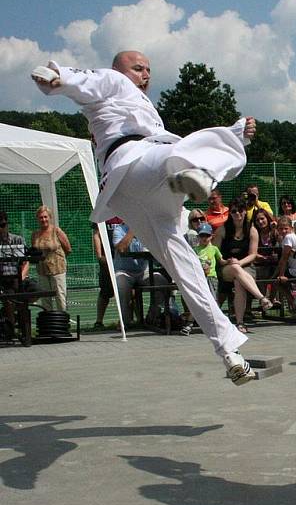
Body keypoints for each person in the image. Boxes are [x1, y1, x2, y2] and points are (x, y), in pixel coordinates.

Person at [32, 51, 256, 384]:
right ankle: (196, 175)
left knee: (187, 267)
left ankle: (230, 353)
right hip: (136, 163)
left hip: (128, 192)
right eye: (138, 68)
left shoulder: (143, 107)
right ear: (121, 70)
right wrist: (57, 76)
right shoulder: (114, 81)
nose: (145, 74)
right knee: (192, 150)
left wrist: (238, 131)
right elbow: (86, 80)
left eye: (149, 70)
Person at [214, 199, 273, 334]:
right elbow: (215, 253)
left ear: (245, 212)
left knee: (239, 282)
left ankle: (240, 323)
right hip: (226, 266)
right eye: (234, 211)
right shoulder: (223, 229)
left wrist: (239, 263)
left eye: (240, 210)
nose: (237, 214)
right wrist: (227, 261)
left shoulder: (251, 230)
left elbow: (253, 254)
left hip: (246, 266)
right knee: (235, 270)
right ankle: (262, 298)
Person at [111, 221, 169, 327]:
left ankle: (153, 317)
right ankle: (125, 321)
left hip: (144, 270)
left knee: (162, 282)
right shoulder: (119, 230)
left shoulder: (148, 230)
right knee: (121, 284)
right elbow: (121, 248)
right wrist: (133, 230)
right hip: (124, 271)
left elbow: (156, 253)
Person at [30, 205, 71, 311]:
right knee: (45, 298)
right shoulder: (35, 234)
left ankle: (62, 321)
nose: (43, 219)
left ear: (50, 217)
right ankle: (48, 323)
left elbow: (68, 249)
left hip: (57, 269)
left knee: (60, 296)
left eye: (45, 217)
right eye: (41, 217)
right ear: (37, 219)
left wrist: (57, 258)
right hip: (42, 270)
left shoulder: (57, 231)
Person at [0, 210, 30, 337]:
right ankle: (11, 326)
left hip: (18, 278)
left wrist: (21, 277)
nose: (1, 229)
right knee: (9, 296)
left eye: (3, 225)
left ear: (7, 224)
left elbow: (26, 262)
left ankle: (13, 312)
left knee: (37, 290)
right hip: (3, 280)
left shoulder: (18, 240)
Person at [275, 215, 296, 312]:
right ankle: (294, 304)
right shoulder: (293, 237)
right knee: (277, 277)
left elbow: (284, 258)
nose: (283, 231)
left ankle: (293, 302)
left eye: (286, 228)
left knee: (276, 281)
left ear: (291, 228)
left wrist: (281, 275)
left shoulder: (288, 237)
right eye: (281, 229)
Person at [91, 222, 116, 329]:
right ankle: (99, 321)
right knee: (105, 291)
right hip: (107, 258)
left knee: (130, 290)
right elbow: (96, 234)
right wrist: (100, 256)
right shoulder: (102, 211)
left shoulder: (125, 211)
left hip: (123, 257)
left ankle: (132, 319)